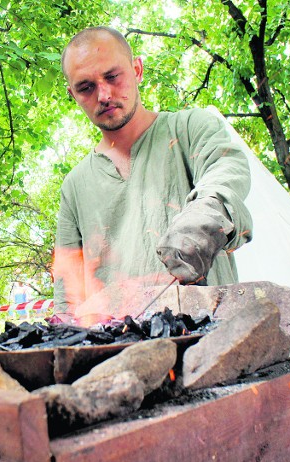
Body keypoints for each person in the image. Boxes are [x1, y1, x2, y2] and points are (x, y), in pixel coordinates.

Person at [53, 26, 253, 324]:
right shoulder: (74, 186)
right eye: (86, 87)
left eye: (112, 76)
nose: (104, 94)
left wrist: (209, 207)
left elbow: (226, 170)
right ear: (73, 95)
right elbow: (67, 294)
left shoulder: (190, 129)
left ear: (137, 69)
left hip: (207, 338)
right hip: (117, 352)